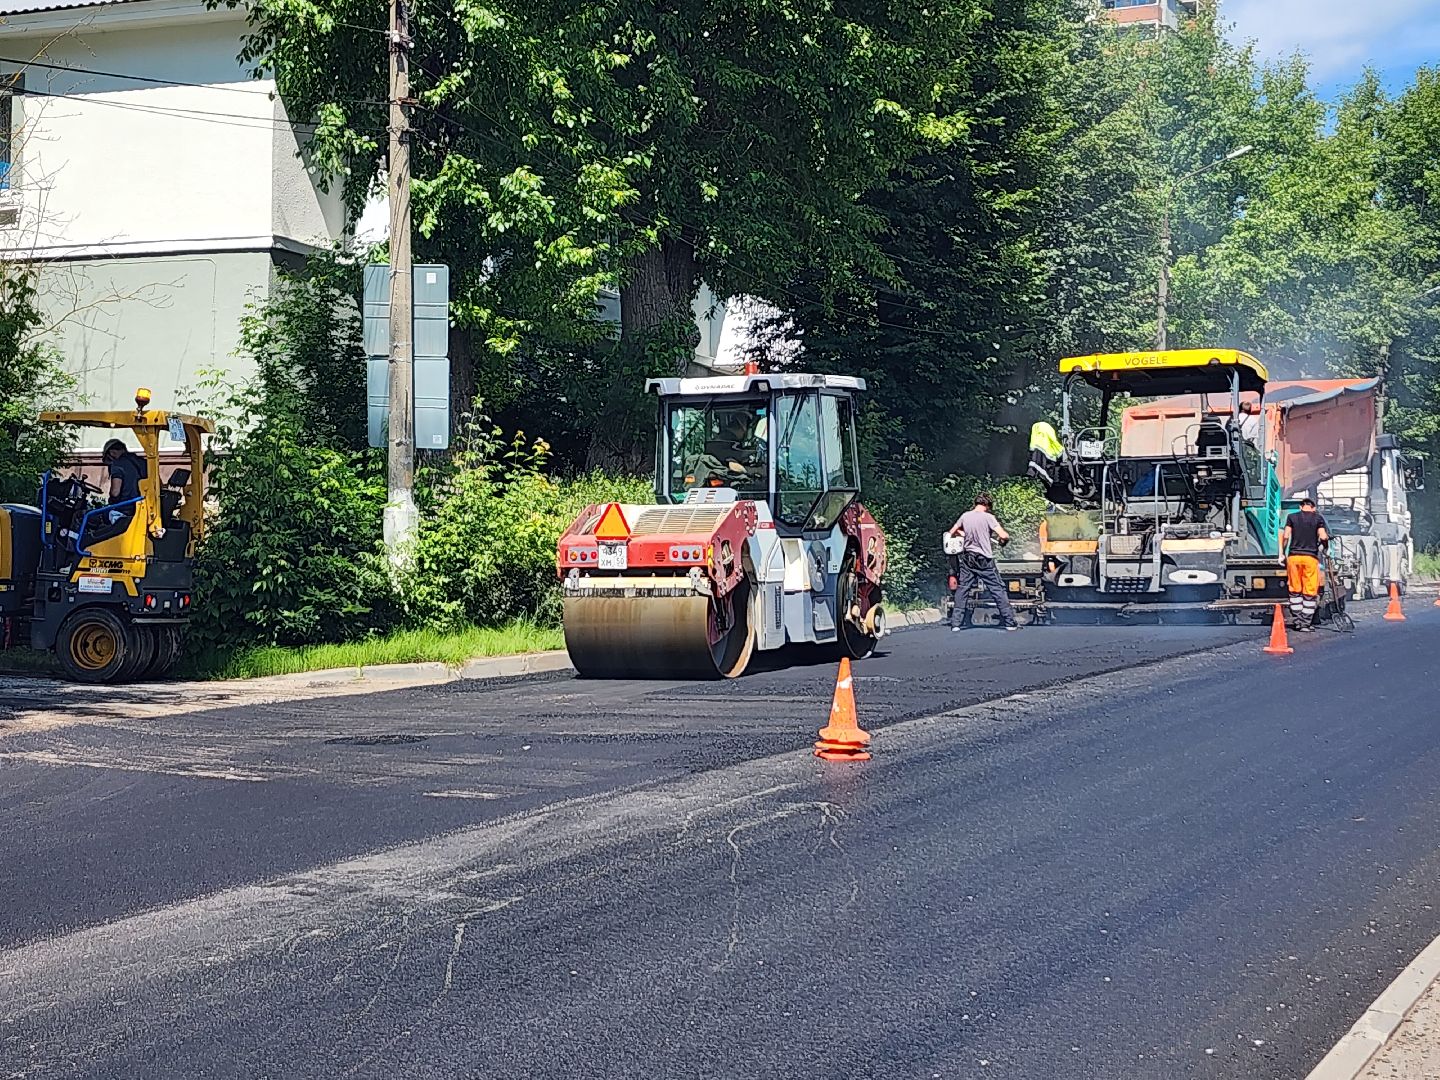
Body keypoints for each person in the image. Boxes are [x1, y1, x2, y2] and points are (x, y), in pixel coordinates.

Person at [948, 493, 1019, 631]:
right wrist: (1002, 540)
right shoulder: (989, 518)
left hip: (968, 558)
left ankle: (956, 624)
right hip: (984, 560)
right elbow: (1004, 535)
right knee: (998, 589)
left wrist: (965, 534)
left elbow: (952, 532)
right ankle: (1010, 623)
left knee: (962, 590)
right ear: (987, 505)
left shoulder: (965, 516)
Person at [1281, 496, 1329, 633]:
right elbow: (1324, 536)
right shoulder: (1318, 518)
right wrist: (1325, 547)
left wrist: (1283, 552)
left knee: (1295, 590)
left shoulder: (1292, 517)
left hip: (1294, 558)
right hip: (1310, 558)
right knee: (1309, 591)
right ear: (1313, 508)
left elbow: (1286, 536)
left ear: (1301, 507)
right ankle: (1305, 623)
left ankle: (1297, 621)